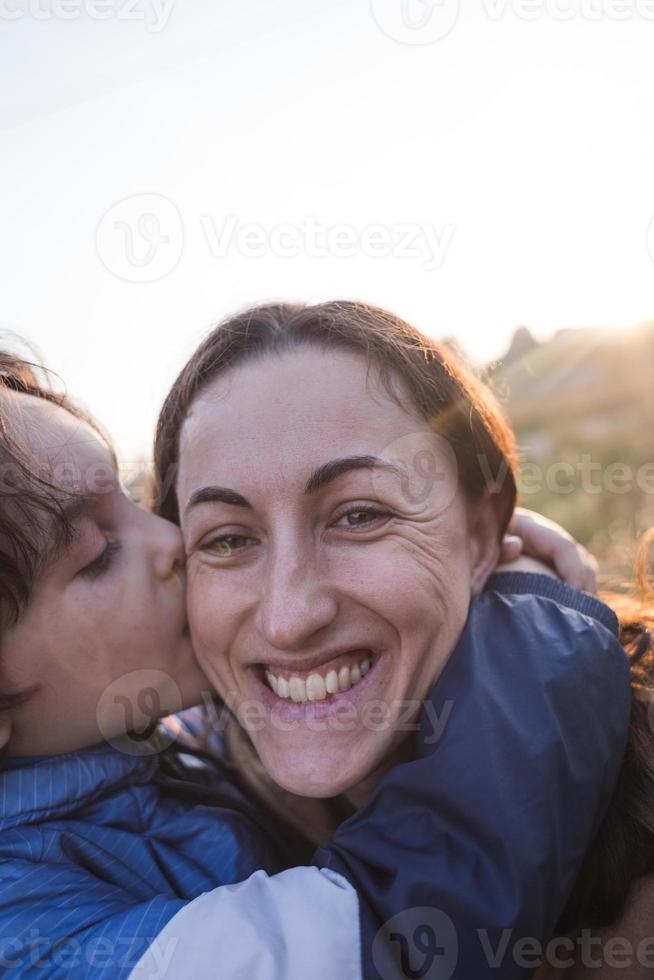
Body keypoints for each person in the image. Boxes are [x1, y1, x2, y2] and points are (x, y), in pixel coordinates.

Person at [148, 299, 644, 976]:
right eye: (229, 540)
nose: (288, 617)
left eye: (358, 515)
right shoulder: (144, 831)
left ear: (482, 534)